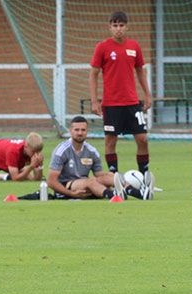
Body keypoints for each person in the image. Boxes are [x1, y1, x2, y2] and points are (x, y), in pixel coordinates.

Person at [89, 10, 154, 187]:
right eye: (115, 25)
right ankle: (114, 177)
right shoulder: (102, 47)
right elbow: (93, 74)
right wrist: (95, 101)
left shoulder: (134, 46)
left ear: (127, 26)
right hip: (111, 104)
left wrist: (147, 94)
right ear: (110, 27)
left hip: (133, 103)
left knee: (142, 139)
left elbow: (140, 71)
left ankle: (144, 176)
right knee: (111, 141)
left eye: (121, 25)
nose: (118, 29)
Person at [47, 115, 149, 200]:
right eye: (76, 130)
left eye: (83, 130)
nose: (80, 133)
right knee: (91, 181)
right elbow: (51, 181)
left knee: (109, 175)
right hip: (67, 187)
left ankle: (139, 193)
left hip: (85, 184)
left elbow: (100, 175)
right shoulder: (61, 150)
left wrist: (111, 178)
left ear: (87, 131)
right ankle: (113, 195)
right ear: (70, 131)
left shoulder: (91, 151)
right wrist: (71, 194)